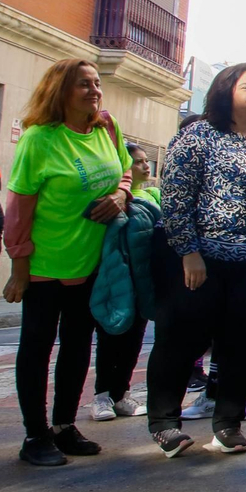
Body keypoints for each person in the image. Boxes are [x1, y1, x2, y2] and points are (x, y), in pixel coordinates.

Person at [148, 64, 246, 457]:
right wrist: (189, 252)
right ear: (225, 90)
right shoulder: (198, 135)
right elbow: (175, 196)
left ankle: (228, 424)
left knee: (245, 343)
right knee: (182, 340)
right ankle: (165, 423)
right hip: (202, 260)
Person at [2, 59, 132, 466]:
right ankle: (35, 436)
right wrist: (19, 267)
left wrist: (121, 196)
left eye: (96, 83)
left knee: (77, 347)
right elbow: (19, 208)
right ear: (60, 90)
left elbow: (126, 171)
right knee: (37, 348)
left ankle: (64, 426)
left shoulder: (106, 128)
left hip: (92, 263)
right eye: (83, 85)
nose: (94, 91)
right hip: (45, 265)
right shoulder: (39, 139)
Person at [89, 143, 159, 422]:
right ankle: (102, 395)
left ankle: (121, 394)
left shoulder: (154, 196)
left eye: (145, 161)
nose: (144, 166)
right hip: (116, 279)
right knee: (110, 337)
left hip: (142, 281)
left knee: (135, 339)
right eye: (137, 162)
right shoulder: (111, 200)